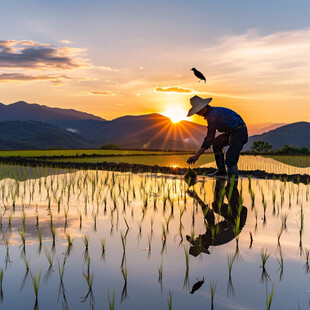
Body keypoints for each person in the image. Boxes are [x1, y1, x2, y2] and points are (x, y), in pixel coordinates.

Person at [186, 95, 248, 178]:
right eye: (197, 112)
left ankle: (233, 182)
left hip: (239, 132)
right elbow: (211, 140)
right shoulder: (213, 112)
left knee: (230, 158)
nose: (198, 113)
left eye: (199, 111)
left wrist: (196, 156)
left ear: (205, 107)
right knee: (216, 143)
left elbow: (209, 138)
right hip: (231, 132)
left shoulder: (212, 115)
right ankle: (221, 170)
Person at [186, 178, 247, 257]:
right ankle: (229, 181)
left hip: (235, 218)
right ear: (202, 243)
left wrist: (196, 198)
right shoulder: (210, 237)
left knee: (216, 206)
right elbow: (209, 216)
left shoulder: (211, 239)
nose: (197, 237)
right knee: (230, 188)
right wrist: (196, 197)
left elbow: (209, 215)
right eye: (196, 240)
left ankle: (222, 182)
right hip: (238, 217)